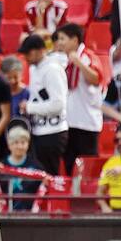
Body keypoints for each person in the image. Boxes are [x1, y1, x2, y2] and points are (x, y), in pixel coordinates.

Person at [53, 24, 106, 174]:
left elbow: (96, 79)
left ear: (75, 40)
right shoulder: (62, 59)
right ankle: (72, 196)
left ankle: (88, 197)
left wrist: (79, 63)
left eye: (63, 39)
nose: (60, 42)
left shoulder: (89, 57)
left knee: (88, 169)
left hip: (87, 122)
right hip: (68, 122)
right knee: (70, 165)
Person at [18, 33, 69, 174]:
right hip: (40, 130)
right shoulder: (36, 68)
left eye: (28, 53)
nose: (26, 58)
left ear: (39, 50)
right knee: (41, 175)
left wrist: (29, 107)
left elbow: (58, 104)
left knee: (49, 175)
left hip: (53, 132)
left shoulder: (52, 69)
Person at [0, 126, 48, 211]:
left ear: (28, 144)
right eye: (16, 143)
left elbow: (44, 187)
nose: (20, 146)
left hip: (30, 214)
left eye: (23, 142)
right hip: (6, 214)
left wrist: (46, 182)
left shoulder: (36, 166)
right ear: (9, 145)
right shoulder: (0, 167)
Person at [97, 127, 121, 211]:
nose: (120, 143)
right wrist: (105, 207)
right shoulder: (110, 164)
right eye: (117, 140)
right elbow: (99, 193)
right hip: (116, 212)